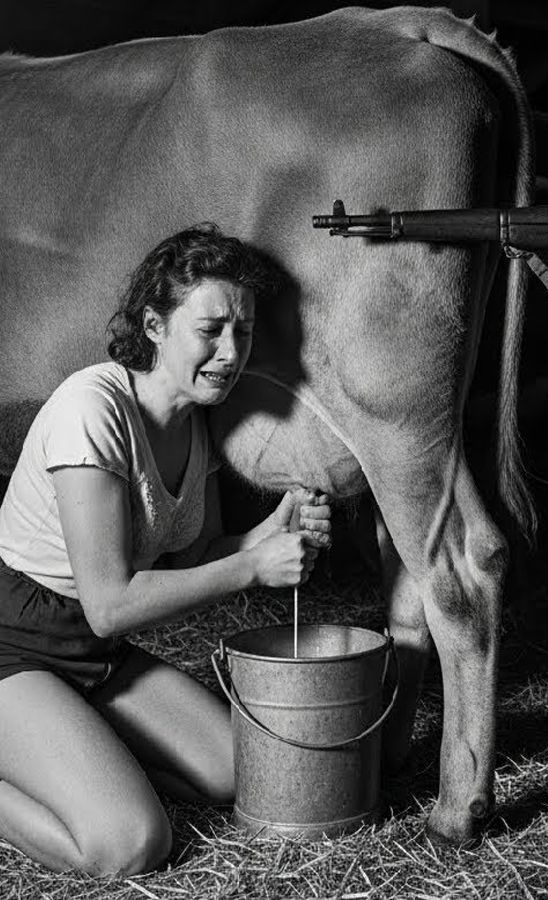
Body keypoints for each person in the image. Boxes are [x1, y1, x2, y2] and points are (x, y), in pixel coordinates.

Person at [0, 224, 332, 874]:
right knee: (131, 843)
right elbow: (111, 605)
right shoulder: (91, 410)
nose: (230, 351)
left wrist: (267, 535)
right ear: (154, 325)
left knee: (241, 775)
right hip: (15, 647)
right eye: (210, 329)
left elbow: (189, 555)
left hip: (94, 656)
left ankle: (76, 750)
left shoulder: (194, 424)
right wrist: (251, 568)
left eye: (243, 330)